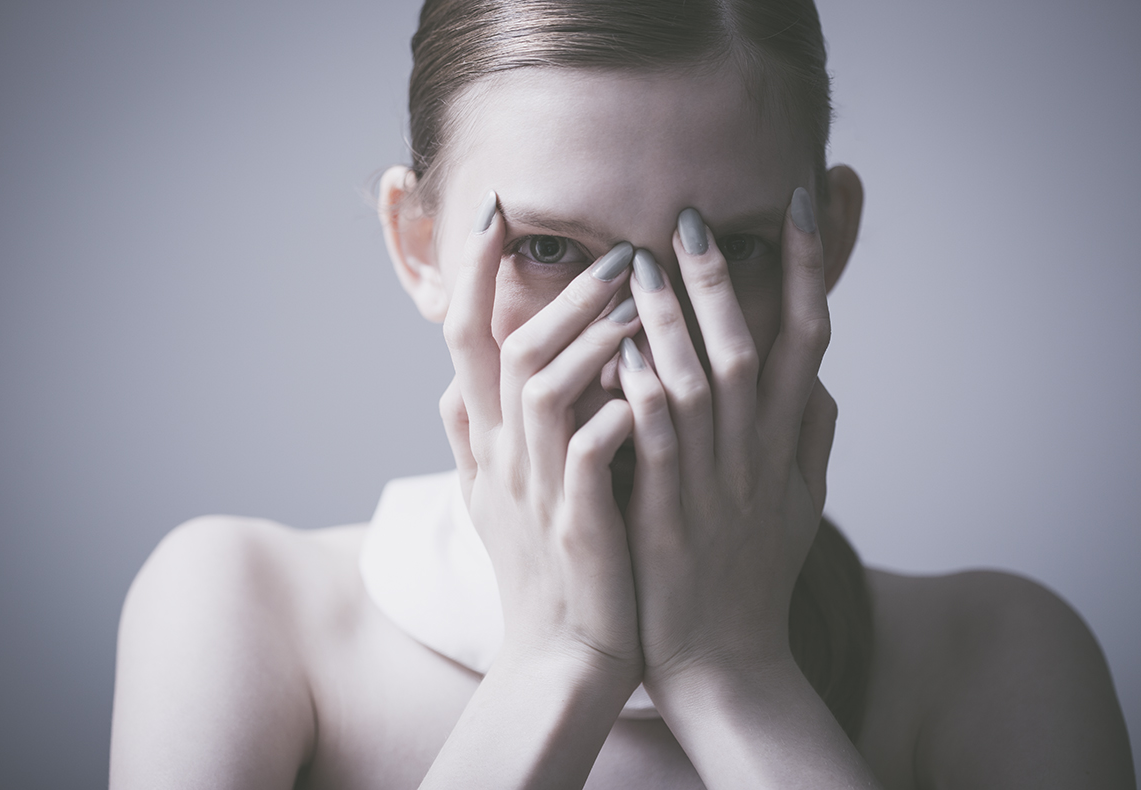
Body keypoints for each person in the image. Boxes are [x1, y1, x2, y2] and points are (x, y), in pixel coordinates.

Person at [108, 1, 1135, 787]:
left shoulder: (996, 659)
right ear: (419, 245)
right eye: (550, 249)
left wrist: (735, 672)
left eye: (731, 249)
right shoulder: (244, 612)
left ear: (829, 238)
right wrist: (554, 661)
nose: (648, 338)